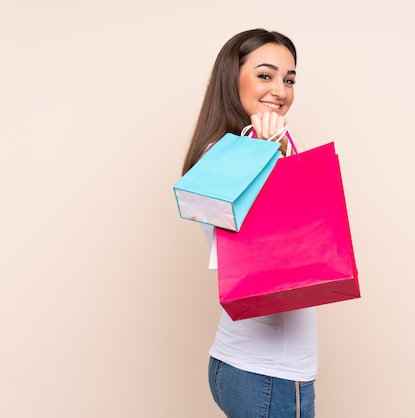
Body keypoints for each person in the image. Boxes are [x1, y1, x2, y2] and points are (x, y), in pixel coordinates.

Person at [181, 29, 317, 418]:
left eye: (289, 79)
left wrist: (274, 151)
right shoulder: (230, 156)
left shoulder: (235, 150)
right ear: (232, 78)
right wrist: (263, 150)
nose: (281, 89)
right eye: (265, 75)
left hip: (250, 366)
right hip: (267, 373)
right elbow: (270, 241)